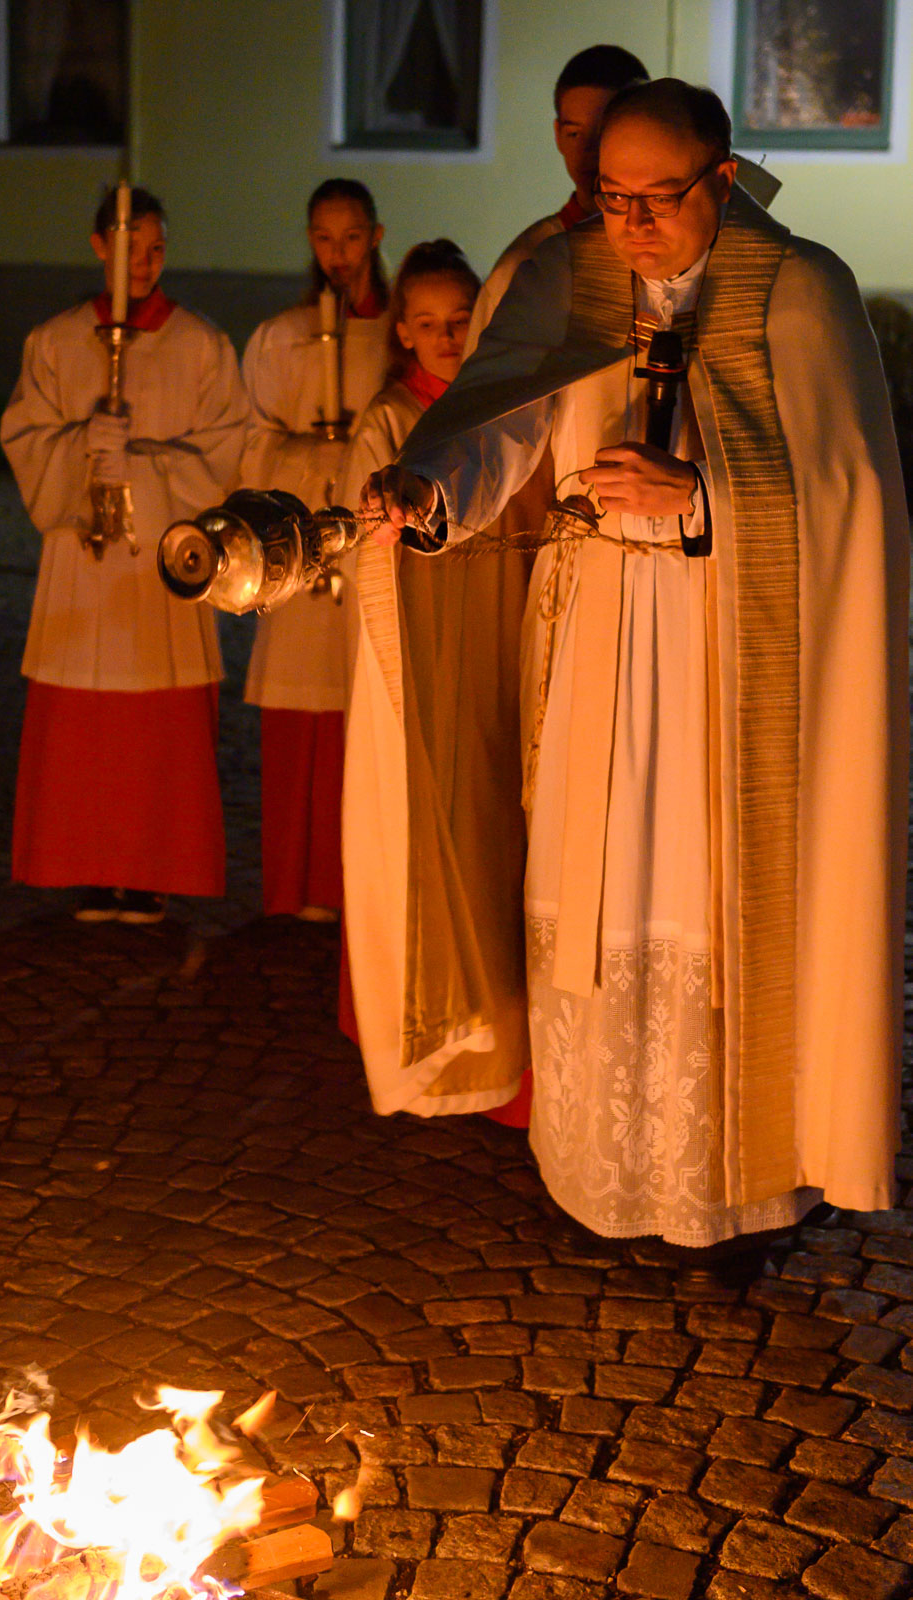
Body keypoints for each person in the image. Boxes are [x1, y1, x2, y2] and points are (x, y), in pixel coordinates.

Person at [357, 80, 908, 1248]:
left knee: (710, 909)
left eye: (657, 198)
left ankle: (736, 1195)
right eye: (611, 198)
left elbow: (852, 502)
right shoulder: (567, 278)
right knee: (595, 898)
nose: (631, 226)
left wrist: (700, 495)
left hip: (731, 659)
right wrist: (428, 487)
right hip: (596, 641)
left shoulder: (798, 289)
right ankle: (601, 1180)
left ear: (722, 178)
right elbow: (496, 419)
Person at [1, 186, 248, 925]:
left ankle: (152, 869)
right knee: (88, 730)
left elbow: (226, 452)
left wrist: (139, 463)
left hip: (161, 562)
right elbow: (24, 437)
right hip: (82, 561)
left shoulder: (200, 345)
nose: (143, 263)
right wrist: (80, 448)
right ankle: (90, 864)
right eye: (129, 248)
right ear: (97, 247)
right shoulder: (56, 341)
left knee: (154, 730)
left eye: (156, 249)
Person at [334, 239, 534, 1128]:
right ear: (403, 333)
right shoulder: (390, 420)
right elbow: (368, 542)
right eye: (429, 323)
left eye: (462, 321)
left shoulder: (505, 409)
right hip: (429, 654)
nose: (448, 338)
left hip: (502, 633)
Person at [242, 179, 390, 922]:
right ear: (310, 241)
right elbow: (249, 445)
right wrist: (313, 458)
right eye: (326, 239)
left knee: (363, 715)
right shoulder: (281, 338)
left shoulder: (397, 336)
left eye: (352, 237)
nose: (339, 255)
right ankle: (294, 881)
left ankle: (352, 882)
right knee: (301, 715)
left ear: (376, 237)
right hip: (299, 548)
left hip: (370, 547)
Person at [464, 43, 648, 350]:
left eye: (603, 132)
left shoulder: (667, 247)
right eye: (574, 133)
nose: (587, 150)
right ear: (557, 135)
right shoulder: (527, 267)